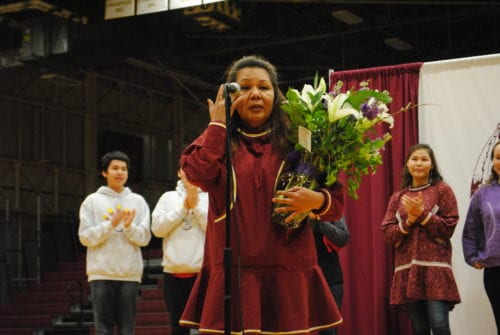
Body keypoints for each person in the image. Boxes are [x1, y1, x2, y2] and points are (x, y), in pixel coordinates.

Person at [179, 55, 344, 334]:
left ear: (275, 95)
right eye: (244, 88)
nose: (255, 94)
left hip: (288, 272)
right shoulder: (218, 140)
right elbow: (197, 173)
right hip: (232, 275)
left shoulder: (301, 140)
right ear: (230, 95)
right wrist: (218, 125)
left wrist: (316, 201)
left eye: (263, 87)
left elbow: (336, 203)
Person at [381, 143, 461, 335]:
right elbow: (387, 233)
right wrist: (408, 221)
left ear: (432, 165)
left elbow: (448, 228)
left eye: (424, 159)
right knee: (419, 328)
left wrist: (423, 215)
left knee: (440, 325)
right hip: (408, 271)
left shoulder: (442, 190)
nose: (419, 163)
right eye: (414, 159)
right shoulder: (398, 197)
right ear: (407, 164)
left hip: (436, 270)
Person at [78, 151, 151, 335]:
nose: (120, 172)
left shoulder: (138, 201)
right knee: (103, 329)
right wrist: (110, 224)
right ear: (104, 172)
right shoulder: (92, 201)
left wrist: (128, 226)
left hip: (129, 274)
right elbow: (85, 237)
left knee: (127, 330)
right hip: (101, 273)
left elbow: (145, 238)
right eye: (115, 168)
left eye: (124, 169)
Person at [151, 168, 208, 335]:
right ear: (178, 173)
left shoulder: (209, 197)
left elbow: (215, 231)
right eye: (185, 168)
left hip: (202, 273)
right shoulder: (167, 198)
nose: (190, 172)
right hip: (173, 273)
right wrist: (182, 209)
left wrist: (196, 206)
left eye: (194, 167)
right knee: (178, 328)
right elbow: (157, 229)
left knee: (203, 328)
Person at [462, 140, 500, 333]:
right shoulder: (482, 194)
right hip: (495, 271)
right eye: (498, 157)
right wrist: (472, 256)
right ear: (493, 161)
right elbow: (471, 229)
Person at [310, 216, 350, 335]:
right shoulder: (294, 206)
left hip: (330, 278)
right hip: (301, 279)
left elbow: (342, 238)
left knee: (328, 330)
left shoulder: (330, 208)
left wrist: (320, 219)